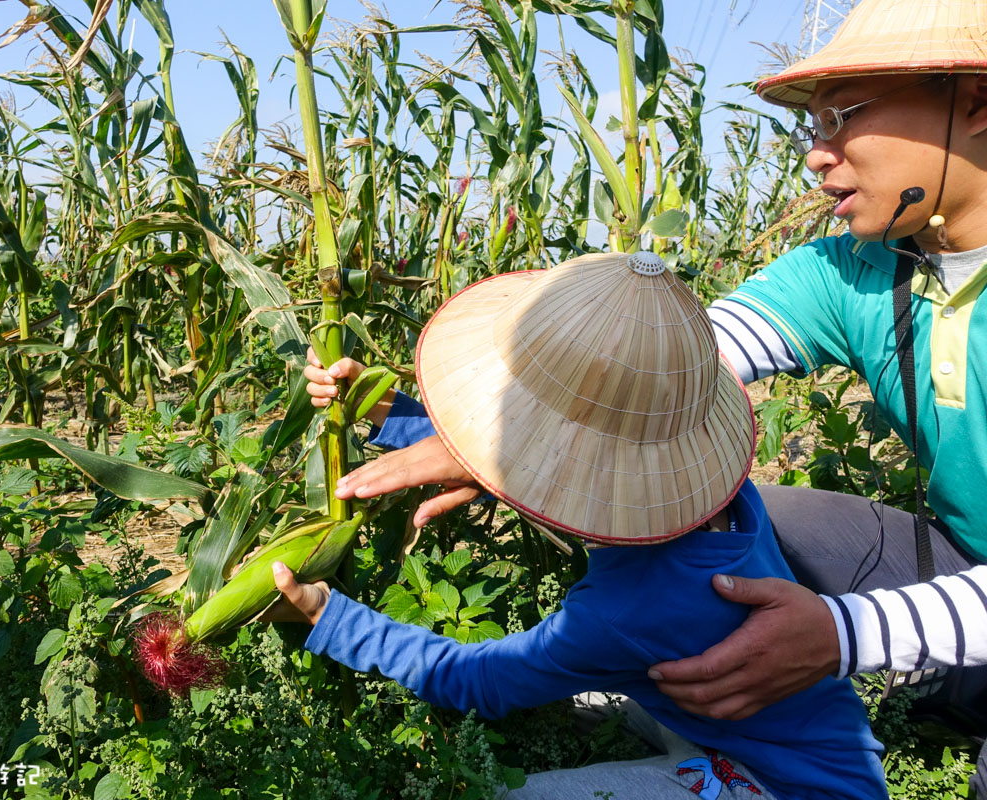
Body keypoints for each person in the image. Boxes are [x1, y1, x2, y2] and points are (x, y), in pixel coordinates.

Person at [308, 0, 987, 786]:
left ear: (974, 99)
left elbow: (481, 679)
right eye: (814, 123)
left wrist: (844, 633)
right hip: (965, 561)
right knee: (747, 529)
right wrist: (468, 436)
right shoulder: (854, 270)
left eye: (843, 115)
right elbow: (657, 384)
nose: (816, 154)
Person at [280, 250, 888, 799]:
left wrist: (329, 615)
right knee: (592, 691)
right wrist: (381, 406)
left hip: (787, 785)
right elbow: (561, 470)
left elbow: (476, 681)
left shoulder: (624, 611)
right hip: (778, 730)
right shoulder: (718, 495)